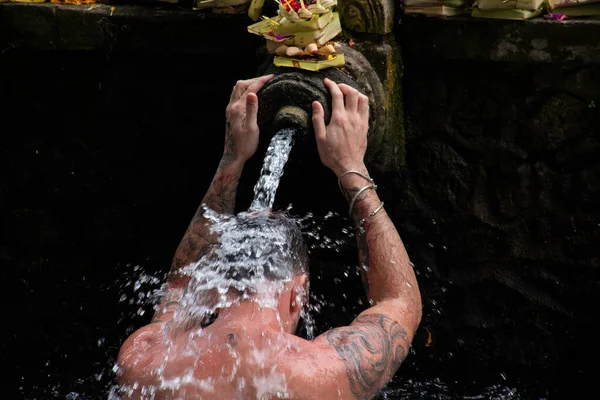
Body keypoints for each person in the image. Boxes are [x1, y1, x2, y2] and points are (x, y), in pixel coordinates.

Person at [116, 74, 422, 399]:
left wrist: (231, 159)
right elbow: (400, 300)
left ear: (210, 280)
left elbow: (180, 285)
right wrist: (351, 167)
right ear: (298, 294)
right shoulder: (321, 372)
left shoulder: (146, 360)